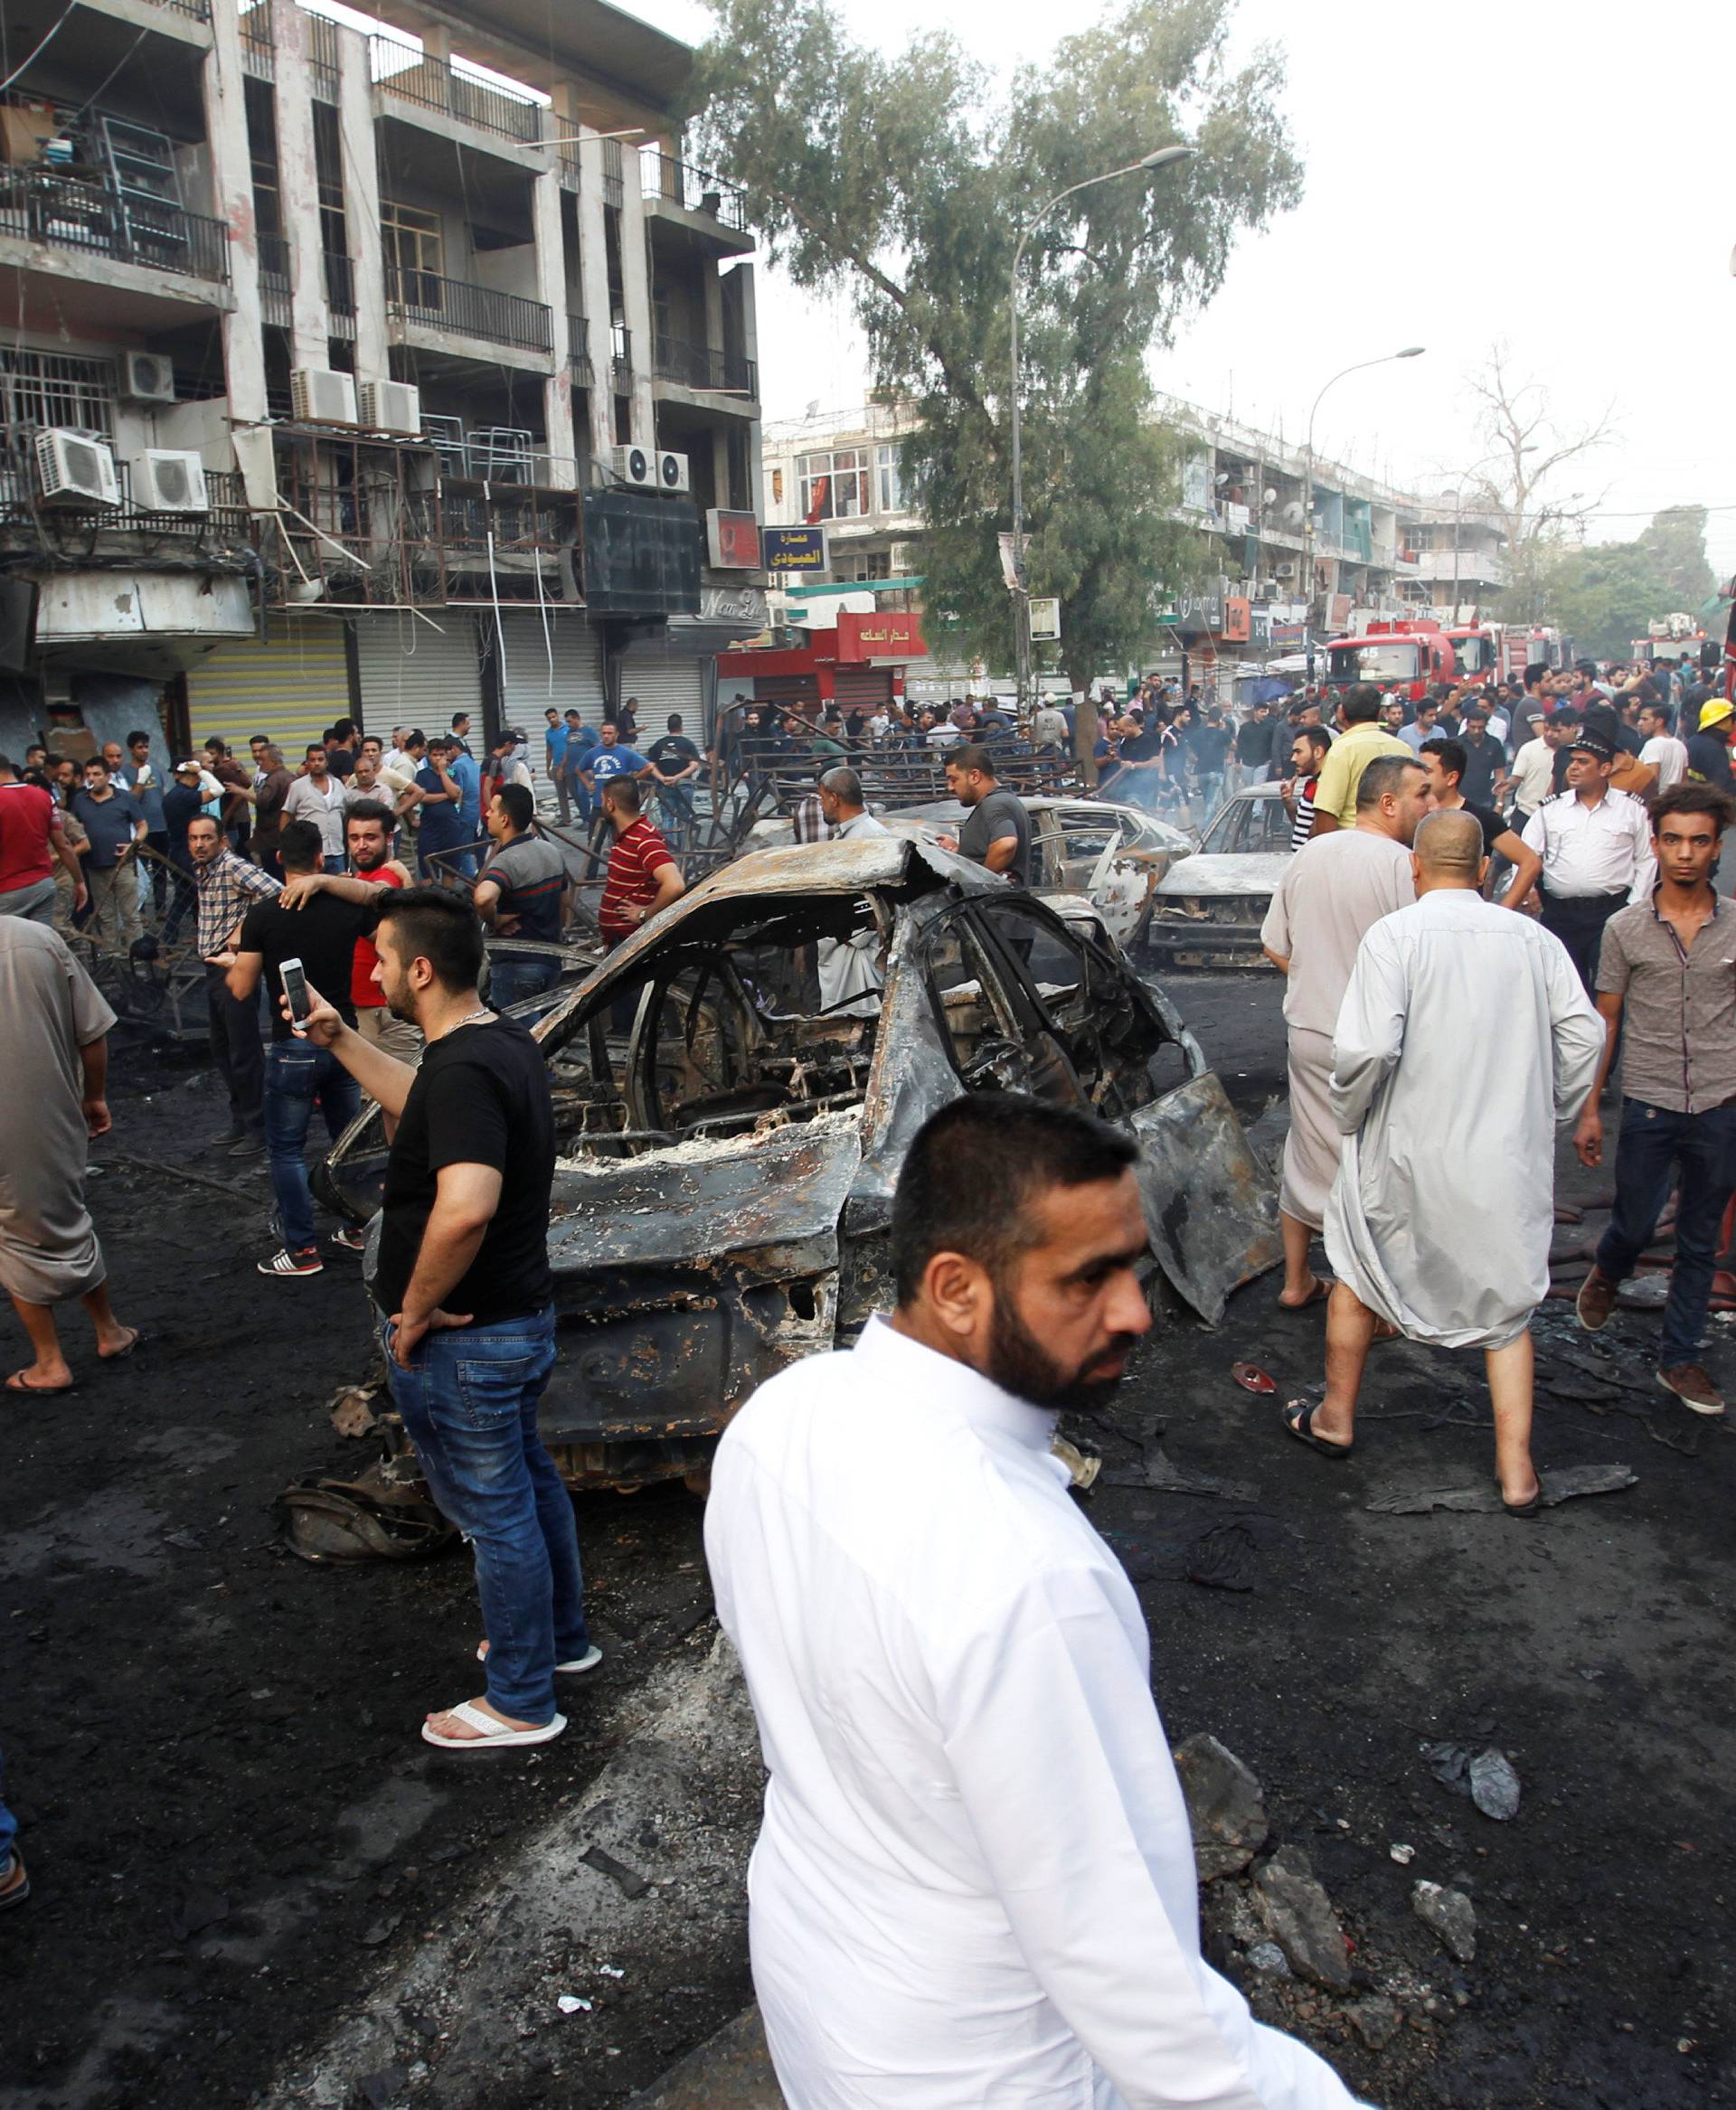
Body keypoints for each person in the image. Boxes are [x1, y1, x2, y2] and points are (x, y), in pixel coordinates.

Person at [707, 1092, 1373, 2110]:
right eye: (1088, 1279)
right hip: (983, 2068)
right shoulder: (1030, 1577)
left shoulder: (782, 1417)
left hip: (818, 1994)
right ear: (956, 1287)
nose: (1138, 1312)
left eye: (1134, 1267)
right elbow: (1137, 1987)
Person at [292, 888, 598, 1747]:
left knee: (496, 1515)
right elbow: (424, 1105)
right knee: (529, 1489)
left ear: (419, 970)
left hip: (471, 1339)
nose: (375, 971)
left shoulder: (463, 1068)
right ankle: (557, 1646)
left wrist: (414, 1311)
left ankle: (520, 1701)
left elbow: (464, 1207)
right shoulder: (491, 1042)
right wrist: (341, 1038)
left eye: (383, 959)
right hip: (516, 1322)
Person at [1289, 810, 1603, 1511]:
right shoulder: (1533, 939)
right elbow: (1584, 1035)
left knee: (1360, 1270)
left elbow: (1366, 1050)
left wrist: (1348, 1114)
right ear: (1485, 869)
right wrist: (1551, 1108)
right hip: (1503, 1159)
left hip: (1405, 1149)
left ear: (1415, 866)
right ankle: (1516, 1471)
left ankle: (1336, 1416)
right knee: (1508, 1308)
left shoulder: (1395, 937)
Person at [1573, 785, 1736, 1416]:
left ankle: (1681, 1359)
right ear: (1655, 844)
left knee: (1699, 1237)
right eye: (1673, 839)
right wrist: (1590, 1107)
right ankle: (1610, 1269)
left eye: (1698, 840)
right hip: (1648, 1099)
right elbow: (1605, 1023)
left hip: (1722, 1099)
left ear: (1716, 847)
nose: (1685, 853)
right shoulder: (1625, 929)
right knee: (1636, 1224)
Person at [1260, 754, 1432, 1311]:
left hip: (1309, 1028)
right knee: (1373, 1164)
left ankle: (1296, 1282)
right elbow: (1422, 961)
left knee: (1307, 1150)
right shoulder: (1404, 866)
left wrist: (1316, 979)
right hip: (1375, 1039)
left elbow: (1273, 945)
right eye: (1421, 795)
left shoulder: (1310, 854)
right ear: (1388, 803)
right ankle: (1369, 1299)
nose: (1429, 805)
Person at [0, 915, 140, 1393]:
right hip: (54, 1111)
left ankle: (50, 1362)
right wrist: (94, 1096)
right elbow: (92, 1030)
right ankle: (109, 1330)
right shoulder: (37, 938)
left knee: (17, 1234)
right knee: (68, 1216)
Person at [228, 819, 369, 1278]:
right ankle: (360, 1227)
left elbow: (241, 989)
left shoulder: (263, 916)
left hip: (294, 1046)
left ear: (276, 861)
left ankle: (303, 1251)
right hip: (344, 1040)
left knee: (287, 1150)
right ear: (319, 860)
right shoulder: (345, 908)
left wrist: (231, 961)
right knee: (346, 1142)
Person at [276, 800, 421, 1079]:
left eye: (370, 837)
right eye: (354, 838)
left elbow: (377, 893)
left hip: (382, 1012)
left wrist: (323, 881)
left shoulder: (387, 874)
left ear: (389, 837)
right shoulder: (357, 877)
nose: (361, 845)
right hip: (363, 1008)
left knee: (386, 1099)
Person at [1505, 730, 1656, 993]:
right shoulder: (1550, 810)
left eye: (1583, 762)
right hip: (1561, 914)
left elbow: (1646, 860)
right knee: (1564, 991)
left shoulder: (1632, 810)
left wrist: (1633, 910)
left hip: (1610, 914)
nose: (1573, 768)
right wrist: (1528, 889)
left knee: (1609, 991)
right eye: (1572, 761)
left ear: (1605, 768)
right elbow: (1525, 854)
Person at [189, 812, 280, 1152]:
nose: (200, 844)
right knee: (222, 1048)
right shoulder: (205, 869)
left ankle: (258, 1127)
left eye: (207, 838)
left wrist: (245, 931)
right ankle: (241, 1119)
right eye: (194, 839)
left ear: (221, 840)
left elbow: (276, 892)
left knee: (244, 1049)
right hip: (213, 968)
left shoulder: (231, 866)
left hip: (234, 969)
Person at [475, 784, 570, 1009]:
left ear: (505, 819)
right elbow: (564, 903)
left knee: (519, 1039)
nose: (487, 814)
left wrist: (494, 921)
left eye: (492, 810)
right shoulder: (551, 850)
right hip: (551, 961)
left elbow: (482, 898)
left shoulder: (507, 861)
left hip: (516, 967)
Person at [815, 768, 890, 1013]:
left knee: (862, 1021)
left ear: (834, 798)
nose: (822, 805)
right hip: (844, 947)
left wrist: (851, 937)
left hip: (858, 950)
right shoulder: (852, 837)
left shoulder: (869, 837)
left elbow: (882, 896)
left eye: (823, 799)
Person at [1307, 683, 1410, 834]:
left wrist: (1328, 853)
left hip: (1352, 845)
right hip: (1396, 844)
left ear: (1341, 712)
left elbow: (1327, 811)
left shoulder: (1341, 749)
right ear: (1380, 713)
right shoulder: (1403, 749)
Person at [1417, 739, 1529, 871]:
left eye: (1427, 771)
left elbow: (1529, 861)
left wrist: (1513, 893)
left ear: (1451, 778)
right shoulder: (1414, 813)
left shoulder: (1481, 819)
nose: (1420, 777)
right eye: (1418, 770)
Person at [597, 777, 684, 947]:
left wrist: (645, 914)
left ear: (610, 803)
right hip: (620, 941)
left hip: (631, 943)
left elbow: (675, 885)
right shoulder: (629, 836)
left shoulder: (644, 839)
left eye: (601, 801)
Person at [71, 758, 146, 952]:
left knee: (130, 914)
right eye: (89, 775)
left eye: (96, 774)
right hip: (94, 866)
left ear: (108, 776)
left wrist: (133, 845)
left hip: (122, 865)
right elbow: (72, 829)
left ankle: (136, 955)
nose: (91, 779)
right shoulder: (80, 800)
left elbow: (142, 825)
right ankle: (114, 957)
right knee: (105, 916)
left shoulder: (124, 797)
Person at [0, 752, 84, 924]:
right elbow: (63, 845)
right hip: (42, 886)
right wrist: (79, 881)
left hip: (7, 890)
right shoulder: (43, 797)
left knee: (7, 947)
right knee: (39, 943)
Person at [939, 743, 1032, 883]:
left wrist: (980, 881)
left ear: (975, 776)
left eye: (954, 779)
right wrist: (961, 850)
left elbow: (1006, 844)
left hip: (995, 902)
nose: (950, 787)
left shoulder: (995, 803)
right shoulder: (1001, 801)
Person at [576, 721, 654, 875]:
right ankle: (590, 877)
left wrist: (632, 779)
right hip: (600, 806)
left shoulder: (625, 753)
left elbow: (649, 766)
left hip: (619, 808)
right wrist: (587, 784)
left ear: (616, 735)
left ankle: (621, 874)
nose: (606, 736)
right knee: (594, 843)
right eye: (603, 733)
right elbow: (579, 769)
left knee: (622, 843)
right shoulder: (593, 753)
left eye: (609, 733)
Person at [404, 736, 467, 880]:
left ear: (447, 755)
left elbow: (455, 795)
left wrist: (443, 772)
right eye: (435, 755)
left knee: (450, 871)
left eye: (441, 755)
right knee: (428, 870)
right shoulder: (422, 775)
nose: (438, 758)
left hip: (450, 828)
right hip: (429, 829)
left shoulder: (452, 772)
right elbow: (422, 797)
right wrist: (446, 796)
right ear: (428, 755)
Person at [283, 743, 348, 872]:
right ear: (307, 763)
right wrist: (286, 845)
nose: (317, 763)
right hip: (309, 853)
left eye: (320, 759)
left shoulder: (338, 784)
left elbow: (346, 815)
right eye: (312, 760)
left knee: (340, 890)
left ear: (327, 762)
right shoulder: (297, 786)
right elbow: (286, 815)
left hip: (337, 851)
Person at [646, 713, 703, 847]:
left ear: (668, 727)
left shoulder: (659, 744)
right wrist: (677, 778)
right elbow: (694, 765)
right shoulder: (687, 744)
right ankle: (683, 851)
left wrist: (663, 778)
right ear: (681, 727)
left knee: (667, 819)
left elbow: (650, 766)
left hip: (664, 787)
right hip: (684, 786)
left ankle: (668, 852)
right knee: (684, 821)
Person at [1280, 727, 1331, 852]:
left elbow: (1319, 837)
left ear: (1318, 752)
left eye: (1299, 752)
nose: (1293, 759)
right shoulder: (1311, 784)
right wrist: (1288, 803)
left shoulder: (1325, 786)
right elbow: (1301, 826)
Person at [1684, 698, 1735, 794]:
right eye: (1733, 719)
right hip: (1707, 803)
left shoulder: (1694, 741)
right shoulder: (1713, 749)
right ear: (1724, 720)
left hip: (1694, 800)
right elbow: (1723, 787)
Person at [1637, 702, 1688, 794]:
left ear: (1659, 722)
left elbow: (1652, 780)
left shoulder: (1653, 744)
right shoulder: (1680, 745)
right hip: (1675, 801)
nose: (1640, 723)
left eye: (1645, 719)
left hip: (1658, 802)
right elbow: (1684, 781)